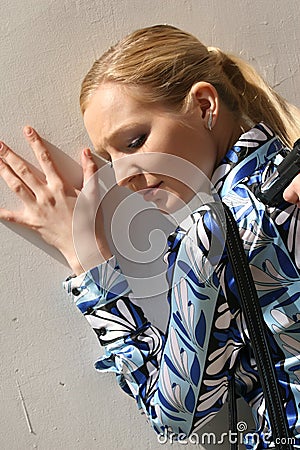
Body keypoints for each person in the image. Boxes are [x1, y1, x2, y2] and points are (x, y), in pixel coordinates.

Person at [0, 25, 299, 449]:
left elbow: (178, 415)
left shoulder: (214, 233)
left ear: (203, 104)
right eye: (109, 157)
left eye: (135, 141)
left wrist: (87, 260)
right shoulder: (286, 176)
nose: (122, 175)